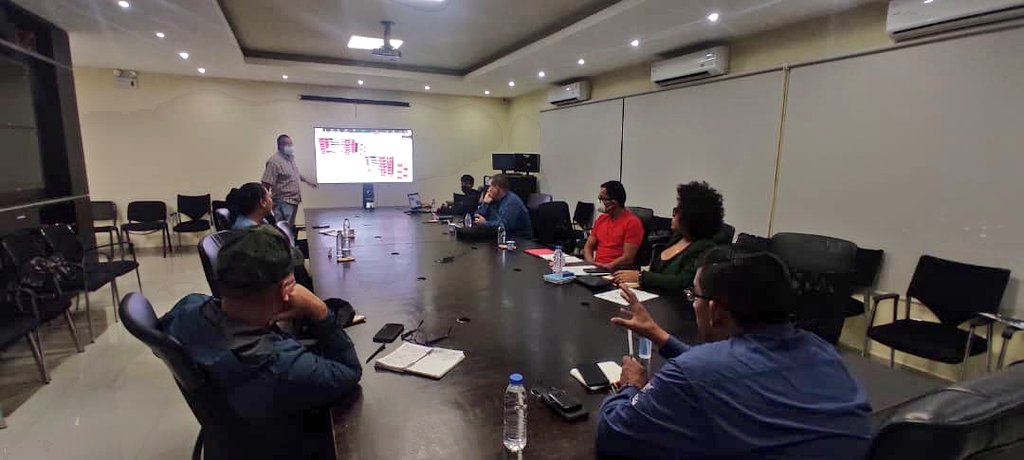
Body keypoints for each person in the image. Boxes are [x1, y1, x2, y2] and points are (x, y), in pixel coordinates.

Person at [597, 247, 872, 460]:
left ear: (715, 310)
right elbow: (725, 370)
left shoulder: (694, 372)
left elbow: (613, 433)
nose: (693, 303)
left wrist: (632, 386)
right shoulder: (823, 351)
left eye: (694, 296)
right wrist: (659, 335)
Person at [161, 226, 361, 458]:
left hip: (230, 438)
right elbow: (350, 370)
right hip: (283, 444)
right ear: (286, 288)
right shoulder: (282, 364)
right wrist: (319, 310)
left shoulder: (188, 308)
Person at [612, 181, 723, 293]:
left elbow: (681, 282)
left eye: (677, 211)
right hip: (651, 295)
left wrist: (640, 277)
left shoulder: (705, 247)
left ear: (692, 217)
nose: (673, 214)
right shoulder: (677, 237)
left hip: (674, 302)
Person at [225, 182, 316, 293]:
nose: (271, 199)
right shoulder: (249, 233)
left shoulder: (258, 221)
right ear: (262, 202)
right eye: (269, 196)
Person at [583, 181, 644, 271]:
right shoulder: (601, 219)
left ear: (614, 202)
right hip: (598, 269)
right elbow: (588, 246)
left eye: (603, 199)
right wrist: (591, 263)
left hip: (617, 271)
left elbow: (628, 257)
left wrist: (608, 266)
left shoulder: (632, 222)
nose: (600, 202)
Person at [261, 134, 317, 226]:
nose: (290, 147)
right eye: (287, 144)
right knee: (283, 229)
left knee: (289, 227)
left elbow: (294, 174)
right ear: (280, 146)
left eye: (291, 144)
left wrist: (307, 181)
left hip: (293, 200)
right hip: (282, 202)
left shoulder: (290, 158)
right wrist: (265, 203)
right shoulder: (274, 162)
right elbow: (266, 183)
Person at [473, 173, 533, 238]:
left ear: (498, 188)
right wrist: (485, 203)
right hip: (498, 235)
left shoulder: (512, 202)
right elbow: (477, 217)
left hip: (518, 238)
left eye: (490, 186)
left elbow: (504, 226)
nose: (488, 190)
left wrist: (485, 223)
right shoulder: (492, 199)